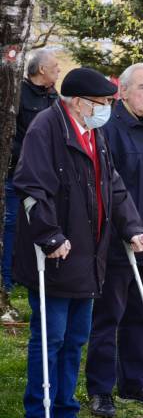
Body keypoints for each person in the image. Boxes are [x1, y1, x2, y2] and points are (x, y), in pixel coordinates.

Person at [13, 67, 143, 418]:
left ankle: (65, 412)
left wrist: (133, 227)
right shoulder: (46, 127)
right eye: (101, 102)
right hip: (56, 256)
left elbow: (113, 185)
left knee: (75, 339)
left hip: (88, 257)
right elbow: (31, 187)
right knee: (51, 339)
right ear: (78, 101)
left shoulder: (94, 132)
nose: (106, 109)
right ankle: (39, 416)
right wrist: (50, 236)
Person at [86, 63, 143, 418]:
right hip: (119, 244)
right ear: (122, 91)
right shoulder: (109, 128)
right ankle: (100, 389)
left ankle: (135, 382)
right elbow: (106, 187)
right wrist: (126, 229)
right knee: (108, 318)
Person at [3, 48, 60, 291]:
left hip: (47, 176)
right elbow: (11, 135)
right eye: (55, 67)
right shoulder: (17, 93)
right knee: (11, 226)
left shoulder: (54, 96)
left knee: (41, 223)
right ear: (41, 70)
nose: (59, 70)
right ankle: (7, 279)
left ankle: (31, 275)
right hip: (18, 174)